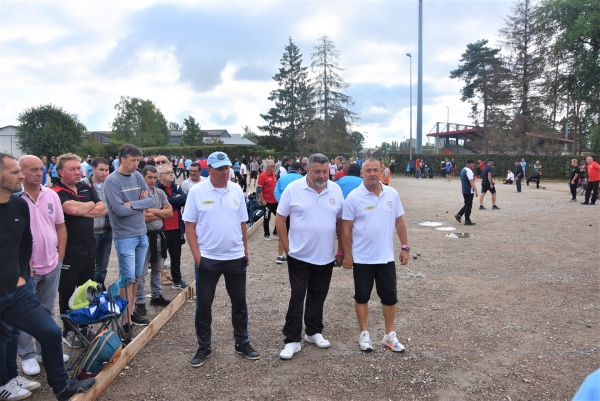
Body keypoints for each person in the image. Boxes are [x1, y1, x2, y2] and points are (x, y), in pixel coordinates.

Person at [0, 153, 97, 401]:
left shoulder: (17, 204)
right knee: (5, 338)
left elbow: (25, 242)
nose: (21, 176)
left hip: (17, 289)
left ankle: (62, 387)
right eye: (15, 172)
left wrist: (22, 273)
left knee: (51, 332)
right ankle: (6, 380)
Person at [183, 151, 260, 367]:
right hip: (208, 259)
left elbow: (242, 223)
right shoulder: (197, 192)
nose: (225, 172)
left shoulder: (236, 189)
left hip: (235, 257)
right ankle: (204, 346)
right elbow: (189, 227)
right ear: (210, 170)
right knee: (204, 305)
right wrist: (198, 258)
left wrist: (245, 252)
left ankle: (242, 342)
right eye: (220, 169)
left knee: (239, 304)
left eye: (227, 168)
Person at [275, 153, 344, 360]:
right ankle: (292, 340)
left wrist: (341, 250)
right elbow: (280, 219)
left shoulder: (336, 190)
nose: (322, 176)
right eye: (317, 171)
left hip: (325, 256)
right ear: (308, 170)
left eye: (325, 171)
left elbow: (341, 222)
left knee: (318, 295)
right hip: (299, 256)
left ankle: (313, 332)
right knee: (297, 296)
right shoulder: (293, 189)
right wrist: (288, 248)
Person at [341, 158, 409, 353]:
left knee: (390, 297)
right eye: (368, 170)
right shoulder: (354, 197)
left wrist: (405, 247)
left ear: (382, 172)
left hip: (385, 257)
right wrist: (348, 255)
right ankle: (364, 334)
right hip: (362, 258)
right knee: (362, 296)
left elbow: (400, 222)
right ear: (361, 173)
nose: (372, 173)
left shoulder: (392, 194)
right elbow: (345, 229)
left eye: (375, 170)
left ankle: (389, 335)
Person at [16, 156, 69, 376]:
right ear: (21, 172)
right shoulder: (14, 198)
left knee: (47, 310)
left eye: (41, 169)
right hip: (27, 269)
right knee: (24, 314)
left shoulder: (51, 195)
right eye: (34, 170)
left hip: (52, 263)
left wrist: (60, 255)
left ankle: (42, 351)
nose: (39, 173)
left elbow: (60, 226)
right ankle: (26, 356)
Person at [52, 153, 106, 344]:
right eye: (72, 169)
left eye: (78, 168)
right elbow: (72, 210)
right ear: (60, 172)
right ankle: (69, 329)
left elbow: (102, 209)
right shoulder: (57, 191)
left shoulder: (85, 185)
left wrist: (83, 207)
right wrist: (88, 205)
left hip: (89, 247)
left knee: (86, 289)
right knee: (67, 292)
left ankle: (83, 325)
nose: (77, 172)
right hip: (69, 250)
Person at [104, 145, 155, 337]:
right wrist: (139, 205)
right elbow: (119, 210)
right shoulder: (112, 181)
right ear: (122, 159)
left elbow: (150, 200)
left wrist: (132, 203)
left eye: (138, 160)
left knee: (136, 277)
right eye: (133, 160)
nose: (137, 164)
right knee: (127, 278)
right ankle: (125, 322)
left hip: (141, 233)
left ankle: (131, 314)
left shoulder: (138, 176)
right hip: (125, 236)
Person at [135, 165, 173, 316]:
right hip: (144, 235)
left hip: (158, 235)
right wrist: (161, 213)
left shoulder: (160, 193)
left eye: (154, 178)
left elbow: (169, 212)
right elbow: (143, 216)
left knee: (158, 268)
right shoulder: (140, 194)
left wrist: (154, 212)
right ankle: (140, 301)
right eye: (149, 177)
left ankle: (156, 295)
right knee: (142, 271)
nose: (152, 180)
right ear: (143, 177)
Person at [155, 157, 188, 289]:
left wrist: (170, 202)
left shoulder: (177, 187)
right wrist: (175, 200)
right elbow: (159, 206)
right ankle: (157, 283)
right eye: (169, 173)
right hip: (162, 228)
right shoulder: (157, 189)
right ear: (161, 176)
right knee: (158, 257)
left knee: (176, 257)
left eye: (172, 172)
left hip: (176, 228)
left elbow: (185, 199)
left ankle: (177, 280)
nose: (172, 175)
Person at [84, 158, 112, 290]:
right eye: (101, 169)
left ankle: (100, 287)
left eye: (107, 170)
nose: (104, 173)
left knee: (103, 263)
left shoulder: (110, 184)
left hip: (107, 229)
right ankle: (90, 290)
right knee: (89, 263)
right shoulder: (83, 185)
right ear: (93, 169)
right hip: (91, 231)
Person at [273, 161, 304, 264]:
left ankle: (280, 255)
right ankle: (295, 254)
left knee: (283, 231)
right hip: (297, 209)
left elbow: (276, 192)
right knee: (297, 231)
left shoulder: (282, 178)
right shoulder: (301, 179)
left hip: (283, 209)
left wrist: (282, 202)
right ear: (299, 170)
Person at [257, 160, 278, 241]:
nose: (275, 167)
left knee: (280, 217)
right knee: (267, 218)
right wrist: (263, 200)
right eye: (273, 166)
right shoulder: (263, 176)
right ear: (268, 167)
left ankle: (275, 232)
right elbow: (259, 189)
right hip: (267, 202)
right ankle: (266, 234)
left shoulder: (274, 175)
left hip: (275, 201)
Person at [455, 159, 479, 226]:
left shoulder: (463, 170)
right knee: (468, 206)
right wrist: (476, 190)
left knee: (467, 204)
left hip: (465, 190)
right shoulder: (469, 171)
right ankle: (466, 219)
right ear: (469, 164)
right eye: (473, 163)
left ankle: (460, 215)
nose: (474, 165)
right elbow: (471, 182)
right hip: (469, 190)